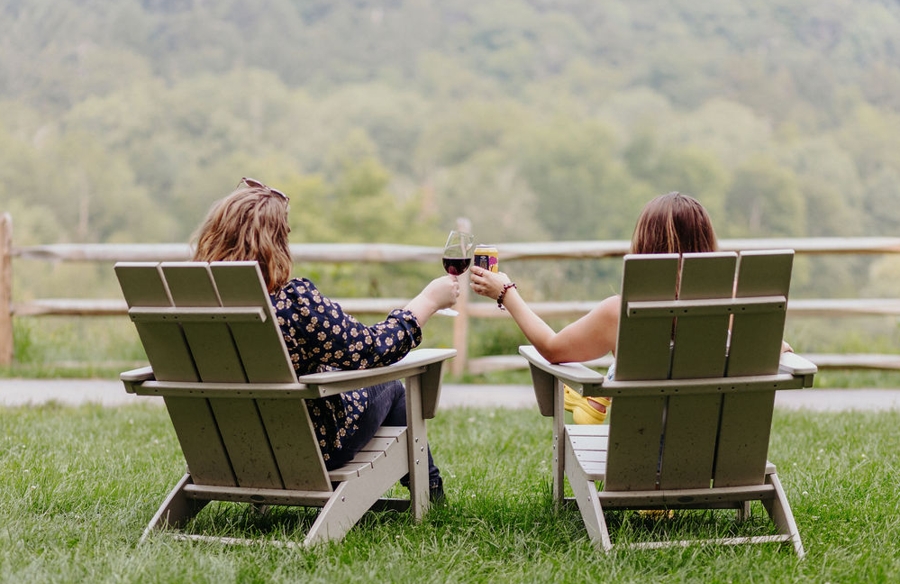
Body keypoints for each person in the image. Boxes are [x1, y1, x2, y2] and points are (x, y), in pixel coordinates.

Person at [192, 177, 460, 501]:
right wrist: (428, 301)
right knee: (391, 385)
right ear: (274, 243)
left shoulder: (193, 304)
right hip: (308, 450)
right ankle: (431, 491)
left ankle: (430, 489)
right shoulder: (295, 302)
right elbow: (371, 349)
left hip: (225, 449)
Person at [470, 192, 726, 425]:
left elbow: (551, 348)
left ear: (645, 244)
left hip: (643, 462)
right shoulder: (735, 306)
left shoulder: (622, 313)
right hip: (723, 457)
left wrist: (506, 292)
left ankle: (596, 396)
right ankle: (600, 393)